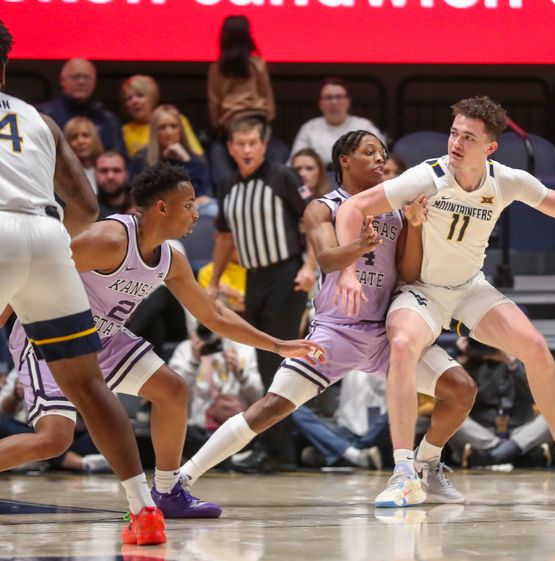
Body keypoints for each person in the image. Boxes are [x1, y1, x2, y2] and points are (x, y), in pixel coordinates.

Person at [335, 96, 555, 506]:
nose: (456, 143)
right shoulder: (427, 176)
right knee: (402, 345)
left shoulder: (507, 180)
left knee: (536, 348)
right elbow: (353, 207)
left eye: (468, 137)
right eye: (453, 133)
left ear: (490, 148)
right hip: (422, 290)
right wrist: (345, 268)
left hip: (469, 289)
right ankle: (402, 472)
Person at [2, 163, 324, 514]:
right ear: (161, 208)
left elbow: (214, 315)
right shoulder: (109, 239)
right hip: (52, 338)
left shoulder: (170, 259)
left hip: (105, 340)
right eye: (188, 205)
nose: (196, 214)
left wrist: (277, 345)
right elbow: (29, 270)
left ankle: (168, 492)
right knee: (54, 440)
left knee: (171, 389)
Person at [179, 130, 477, 508]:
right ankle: (183, 476)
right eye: (369, 152)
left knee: (461, 389)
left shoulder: (397, 209)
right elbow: (326, 259)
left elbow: (409, 272)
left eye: (382, 153)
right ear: (344, 160)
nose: (379, 159)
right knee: (270, 407)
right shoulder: (323, 207)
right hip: (336, 332)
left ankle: (426, 464)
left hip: (385, 332)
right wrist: (360, 246)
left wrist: (415, 227)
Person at [0, 21, 164, 545]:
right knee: (90, 386)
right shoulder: (40, 120)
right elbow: (89, 207)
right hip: (49, 237)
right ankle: (144, 512)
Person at [208, 115, 317, 472]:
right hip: (253, 279)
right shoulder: (228, 184)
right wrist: (213, 281)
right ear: (230, 148)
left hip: (286, 275)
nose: (247, 149)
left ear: (263, 145)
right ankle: (272, 448)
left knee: (279, 366)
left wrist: (308, 267)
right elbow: (224, 237)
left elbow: (314, 221)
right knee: (262, 362)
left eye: (253, 143)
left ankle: (281, 452)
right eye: (240, 144)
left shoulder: (282, 177)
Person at [450, 338, 553, 469]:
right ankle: (520, 455)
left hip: (519, 429)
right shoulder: (467, 362)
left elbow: (535, 394)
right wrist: (460, 363)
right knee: (448, 418)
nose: (487, 346)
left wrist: (511, 362)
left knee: (553, 418)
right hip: (483, 432)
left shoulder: (520, 357)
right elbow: (453, 395)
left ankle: (490, 458)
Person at [168, 324, 263, 458]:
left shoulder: (243, 347)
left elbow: (258, 397)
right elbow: (173, 395)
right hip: (198, 430)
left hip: (234, 428)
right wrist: (194, 362)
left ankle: (219, 458)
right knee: (175, 431)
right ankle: (228, 459)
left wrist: (240, 373)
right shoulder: (186, 349)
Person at [207, 15, 276, 192]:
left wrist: (219, 127)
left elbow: (215, 104)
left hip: (230, 123)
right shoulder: (257, 64)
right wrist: (267, 119)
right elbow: (268, 100)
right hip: (259, 120)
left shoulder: (217, 68)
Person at [129, 104, 215, 216]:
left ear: (181, 130)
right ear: (155, 131)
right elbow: (137, 197)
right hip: (154, 212)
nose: (169, 132)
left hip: (189, 210)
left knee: (212, 209)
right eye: (162, 127)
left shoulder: (195, 160)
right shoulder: (140, 158)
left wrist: (186, 160)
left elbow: (204, 195)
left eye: (174, 126)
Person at [293, 370, 387, 470]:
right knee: (295, 409)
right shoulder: (344, 363)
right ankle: (353, 454)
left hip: (371, 433)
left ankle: (345, 453)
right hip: (345, 429)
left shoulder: (380, 365)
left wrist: (365, 441)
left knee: (311, 455)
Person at [38, 57, 125, 156]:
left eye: (86, 77)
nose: (81, 82)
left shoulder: (108, 120)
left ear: (94, 82)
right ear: (62, 81)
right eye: (75, 77)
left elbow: (120, 160)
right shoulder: (44, 116)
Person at [291, 77, 384, 168]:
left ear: (348, 102)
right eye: (328, 97)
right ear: (320, 103)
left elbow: (382, 159)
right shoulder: (309, 128)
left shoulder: (365, 127)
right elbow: (295, 163)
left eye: (339, 97)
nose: (334, 102)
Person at [121, 74, 204, 158]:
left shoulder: (175, 120)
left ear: (152, 97)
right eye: (129, 98)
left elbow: (197, 156)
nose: (134, 101)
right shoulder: (124, 131)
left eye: (140, 95)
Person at [63, 116, 103, 194]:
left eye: (85, 135)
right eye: (74, 137)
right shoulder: (62, 174)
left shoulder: (106, 169)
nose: (80, 141)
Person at [95, 151, 134, 219]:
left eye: (116, 170)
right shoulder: (88, 212)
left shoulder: (141, 208)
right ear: (95, 174)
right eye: (104, 171)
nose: (110, 176)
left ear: (127, 174)